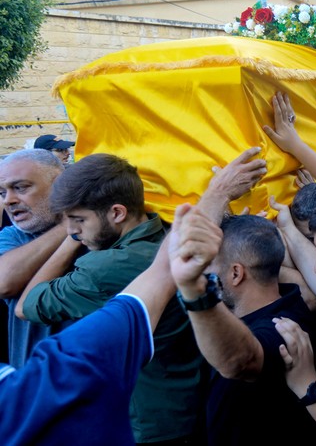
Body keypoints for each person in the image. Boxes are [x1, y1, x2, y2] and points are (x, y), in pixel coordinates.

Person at [17, 153, 205, 444]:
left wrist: (69, 244)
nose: (71, 231)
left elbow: (26, 306)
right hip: (186, 407)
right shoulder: (167, 233)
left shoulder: (104, 269)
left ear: (117, 213)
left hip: (149, 426)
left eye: (78, 220)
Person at [172, 213, 316, 445]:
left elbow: (241, 359)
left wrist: (195, 294)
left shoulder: (283, 330)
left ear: (236, 273)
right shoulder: (292, 301)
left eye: (209, 265)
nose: (203, 273)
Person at [0, 149, 66, 368]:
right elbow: (4, 282)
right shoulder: (13, 236)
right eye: (2, 193)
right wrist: (70, 228)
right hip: (33, 386)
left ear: (60, 184)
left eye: (20, 188)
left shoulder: (100, 232)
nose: (9, 200)